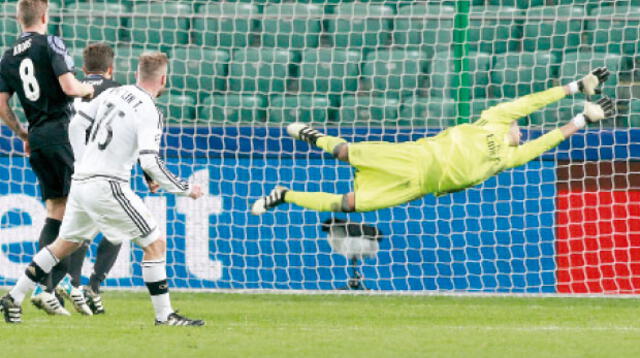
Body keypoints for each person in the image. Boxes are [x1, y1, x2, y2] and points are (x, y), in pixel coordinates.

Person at [0, 52, 205, 326]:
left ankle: (13, 297)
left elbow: (76, 123)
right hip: (108, 184)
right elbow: (150, 161)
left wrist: (84, 160)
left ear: (136, 74)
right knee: (155, 244)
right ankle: (164, 316)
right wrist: (185, 188)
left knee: (63, 245)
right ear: (164, 79)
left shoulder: (116, 93)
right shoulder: (149, 109)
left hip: (82, 180)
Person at [252, 68, 615, 214]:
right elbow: (529, 102)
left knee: (348, 205)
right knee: (345, 152)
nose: (524, 132)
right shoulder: (493, 119)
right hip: (413, 158)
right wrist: (574, 88)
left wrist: (581, 119)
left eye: (524, 134)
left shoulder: (507, 158)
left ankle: (284, 195)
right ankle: (313, 136)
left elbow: (547, 142)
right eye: (523, 127)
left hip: (418, 186)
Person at [0, 0, 94, 316]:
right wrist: (88, 91)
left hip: (38, 135)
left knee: (55, 210)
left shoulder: (8, 55)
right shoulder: (51, 42)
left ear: (18, 19)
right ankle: (45, 288)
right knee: (78, 213)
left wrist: (22, 134)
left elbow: (1, 104)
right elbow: (69, 87)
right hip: (63, 131)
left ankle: (46, 289)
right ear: (44, 16)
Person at [55, 42, 127, 315]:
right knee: (119, 228)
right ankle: (93, 286)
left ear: (84, 68)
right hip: (104, 169)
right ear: (111, 68)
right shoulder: (119, 91)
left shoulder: (71, 87)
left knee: (75, 229)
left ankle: (68, 283)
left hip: (69, 164)